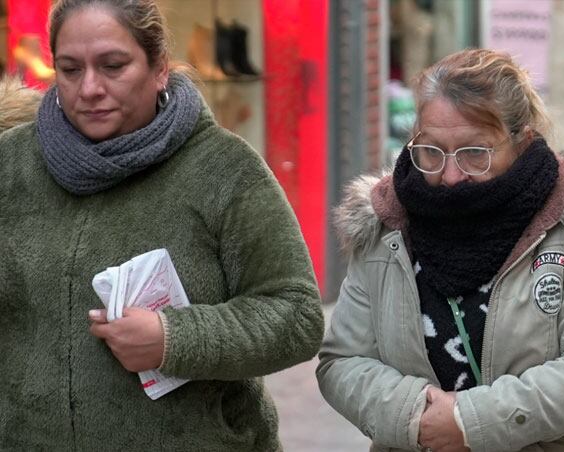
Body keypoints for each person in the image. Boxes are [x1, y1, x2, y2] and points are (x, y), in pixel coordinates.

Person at [0, 1, 324, 450]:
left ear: (159, 69)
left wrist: (176, 339)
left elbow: (297, 315)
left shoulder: (224, 170)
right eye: (70, 69)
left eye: (113, 66)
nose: (89, 88)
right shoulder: (12, 165)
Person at [317, 48, 564, 452]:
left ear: (521, 141)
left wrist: (472, 423)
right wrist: (414, 416)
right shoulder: (386, 222)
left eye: (475, 153)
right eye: (431, 151)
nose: (451, 175)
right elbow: (342, 361)